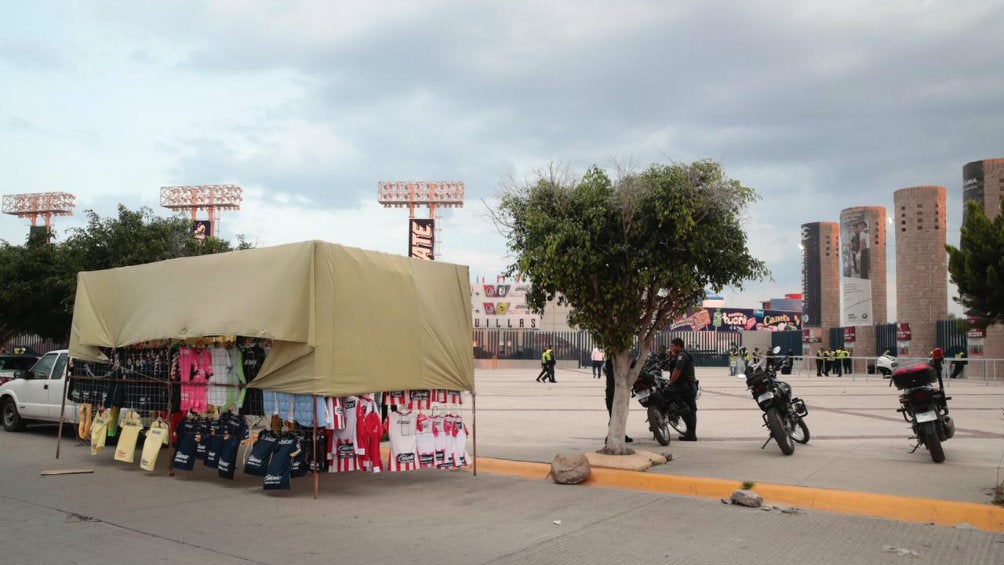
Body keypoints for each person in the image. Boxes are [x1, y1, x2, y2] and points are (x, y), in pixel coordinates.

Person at [667, 338, 698, 441]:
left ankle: (691, 433)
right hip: (689, 386)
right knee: (691, 411)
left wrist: (670, 383)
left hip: (686, 387)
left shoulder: (682, 356)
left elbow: (677, 371)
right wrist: (671, 358)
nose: (671, 348)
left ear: (679, 346)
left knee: (668, 392)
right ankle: (691, 434)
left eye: (673, 346)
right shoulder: (682, 355)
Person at [603, 357, 632, 442]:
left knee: (618, 415)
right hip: (614, 392)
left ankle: (621, 434)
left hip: (615, 392)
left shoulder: (613, 361)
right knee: (615, 415)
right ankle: (611, 436)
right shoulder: (614, 361)